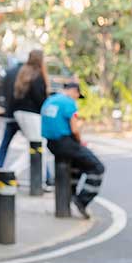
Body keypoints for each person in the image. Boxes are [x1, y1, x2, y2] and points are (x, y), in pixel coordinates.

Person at [40, 78, 104, 218]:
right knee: (98, 168)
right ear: (74, 91)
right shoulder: (68, 103)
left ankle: (70, 194)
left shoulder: (50, 100)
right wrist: (80, 142)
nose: (76, 99)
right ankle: (82, 200)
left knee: (78, 165)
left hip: (51, 144)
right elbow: (74, 129)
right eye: (77, 96)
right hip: (66, 143)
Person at [0, 51, 48, 185]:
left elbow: (10, 94)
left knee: (8, 145)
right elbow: (39, 98)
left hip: (14, 114)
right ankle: (17, 174)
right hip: (29, 116)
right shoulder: (36, 75)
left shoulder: (17, 72)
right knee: (37, 145)